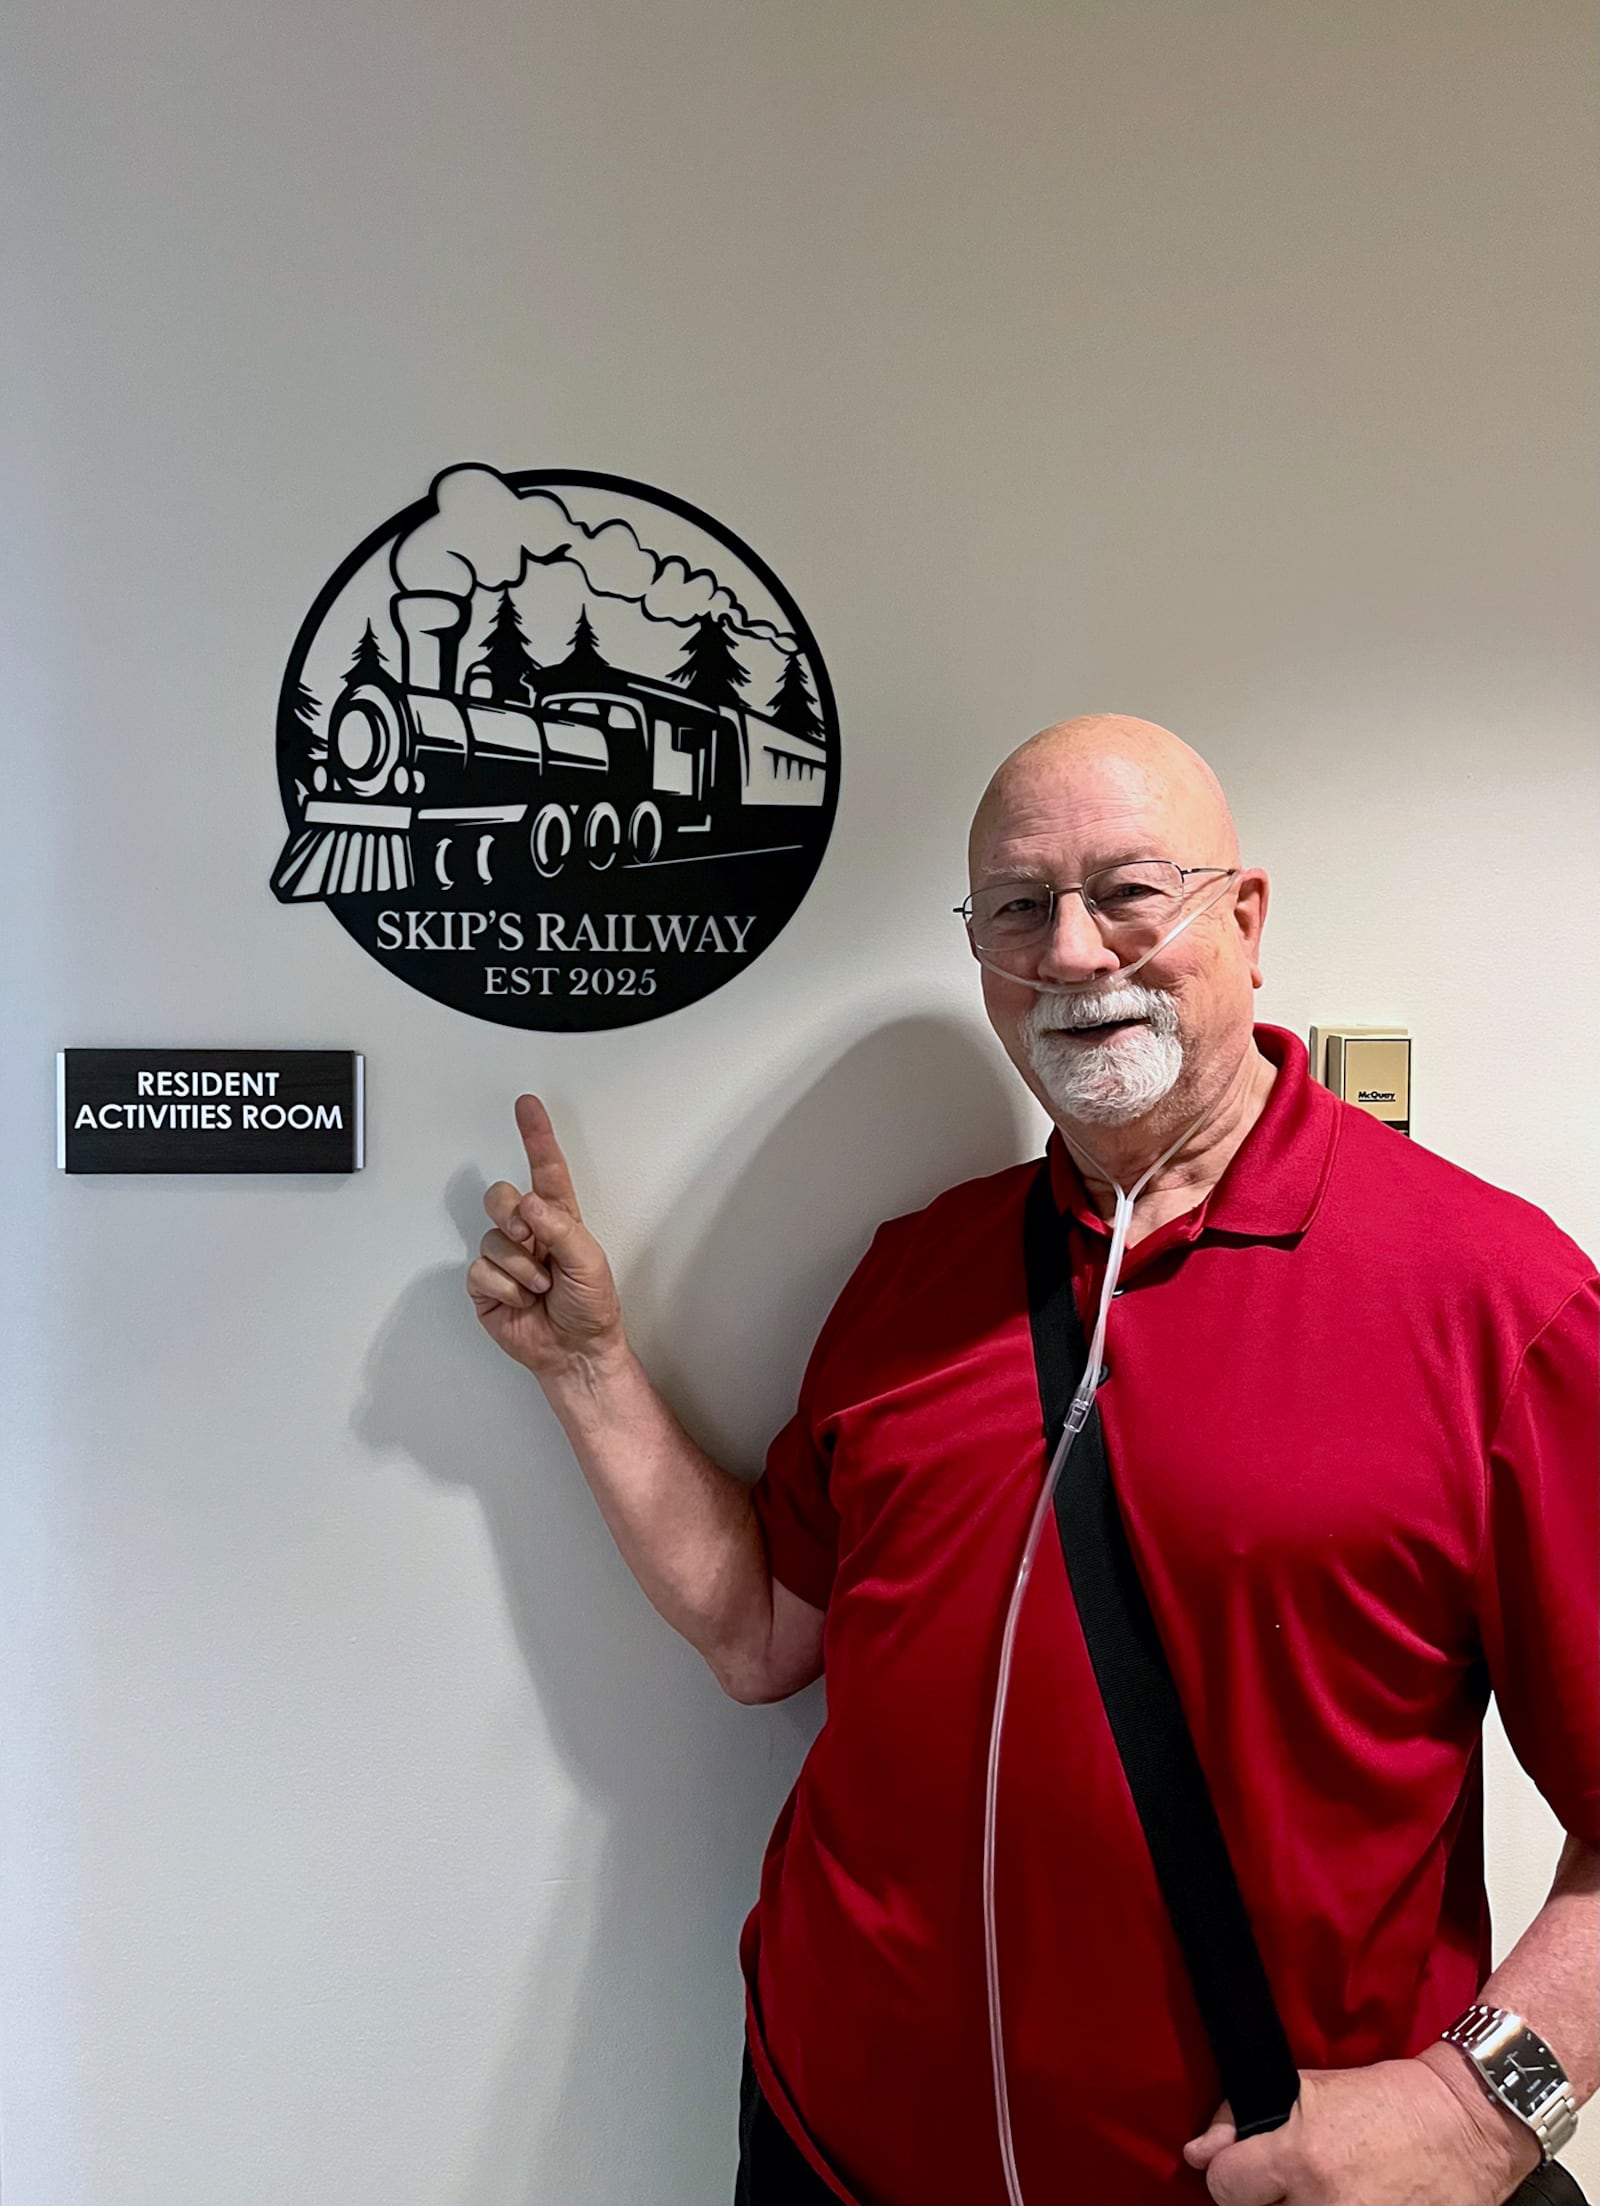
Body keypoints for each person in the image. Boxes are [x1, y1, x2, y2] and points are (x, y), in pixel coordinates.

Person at [466, 716, 1598, 2206]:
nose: (1071, 951)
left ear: (1244, 921)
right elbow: (760, 1632)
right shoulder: (914, 1274)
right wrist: (592, 1370)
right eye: (1017, 905)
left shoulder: (1488, 1295)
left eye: (1130, 888)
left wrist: (1479, 2110)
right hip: (834, 2152)